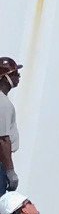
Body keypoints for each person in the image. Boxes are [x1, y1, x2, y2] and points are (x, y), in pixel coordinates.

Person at [0, 55, 21, 190]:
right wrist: (10, 171)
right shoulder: (3, 103)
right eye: (14, 73)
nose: (18, 77)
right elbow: (3, 139)